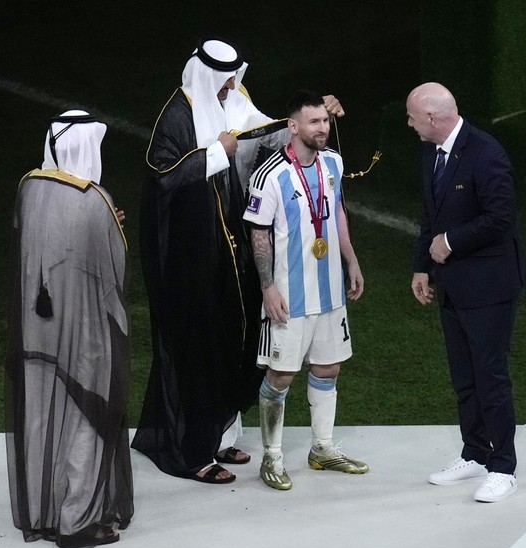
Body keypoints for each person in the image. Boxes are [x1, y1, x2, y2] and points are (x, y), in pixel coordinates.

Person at [132, 36, 345, 484]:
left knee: (235, 336)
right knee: (200, 343)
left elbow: (265, 131)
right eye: (226, 80)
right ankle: (193, 451)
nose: (232, 86)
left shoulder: (236, 97)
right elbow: (161, 176)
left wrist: (311, 120)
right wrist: (215, 154)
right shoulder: (177, 114)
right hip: (192, 253)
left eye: (234, 78)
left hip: (232, 247)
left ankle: (222, 432)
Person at [4, 110, 134, 548]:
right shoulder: (94, 199)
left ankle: (43, 512)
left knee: (41, 415)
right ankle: (77, 520)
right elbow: (114, 271)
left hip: (36, 329)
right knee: (87, 418)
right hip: (85, 333)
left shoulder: (29, 187)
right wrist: (113, 224)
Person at [406, 82, 526, 503]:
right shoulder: (431, 153)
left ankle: (503, 467)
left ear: (432, 119)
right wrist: (422, 265)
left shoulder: (486, 153)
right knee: (464, 377)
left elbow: (501, 218)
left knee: (490, 377)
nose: (408, 124)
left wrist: (451, 242)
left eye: (411, 117)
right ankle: (476, 452)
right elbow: (429, 214)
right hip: (453, 286)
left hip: (490, 287)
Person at [243, 89, 366, 490]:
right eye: (314, 122)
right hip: (289, 295)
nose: (323, 128)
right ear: (293, 127)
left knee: (329, 368)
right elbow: (258, 234)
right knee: (280, 376)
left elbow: (338, 212)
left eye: (325, 121)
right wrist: (267, 287)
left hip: (329, 292)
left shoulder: (333, 163)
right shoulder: (270, 175)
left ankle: (323, 448)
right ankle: (272, 457)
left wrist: (351, 259)